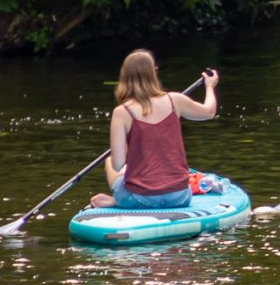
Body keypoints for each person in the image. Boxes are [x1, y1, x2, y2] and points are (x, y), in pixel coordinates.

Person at [84, 50, 219, 209]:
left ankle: (116, 201)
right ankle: (119, 201)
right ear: (153, 73)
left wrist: (129, 148)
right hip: (180, 196)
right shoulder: (175, 100)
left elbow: (118, 164)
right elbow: (209, 112)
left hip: (140, 199)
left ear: (124, 77)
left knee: (109, 162)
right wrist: (209, 86)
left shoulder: (121, 112)